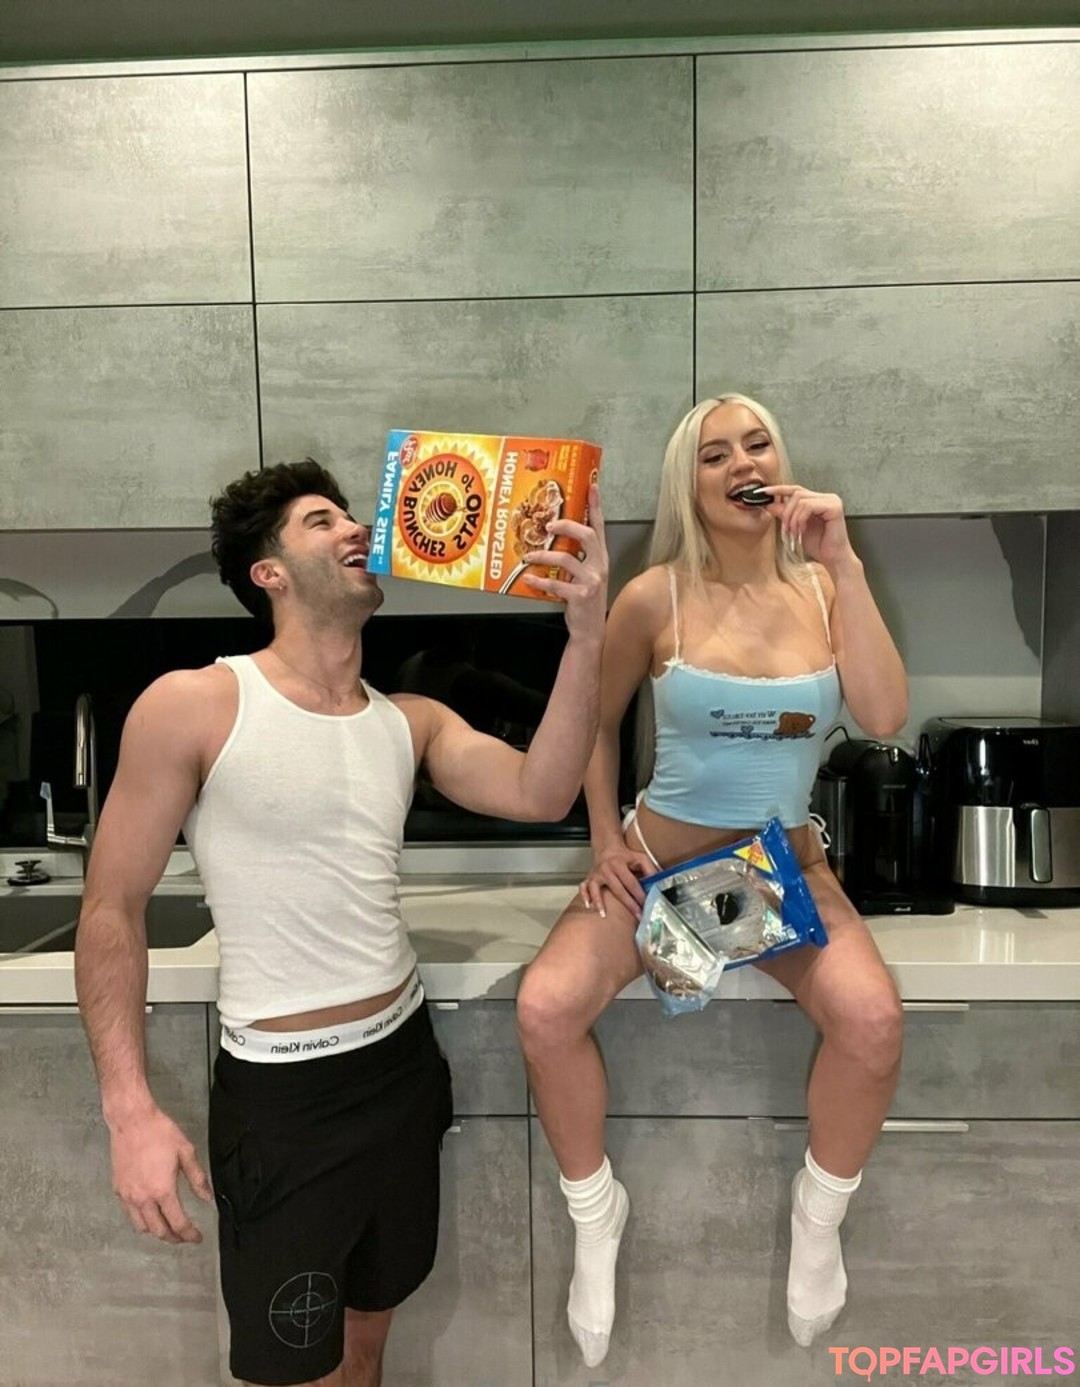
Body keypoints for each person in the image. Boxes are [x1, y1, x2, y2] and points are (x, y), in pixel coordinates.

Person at [74, 458, 608, 1387]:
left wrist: (587, 634)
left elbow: (542, 789)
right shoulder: (196, 705)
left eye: (352, 515)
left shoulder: (410, 721)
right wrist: (129, 1108)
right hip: (284, 1101)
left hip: (401, 1069)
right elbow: (109, 911)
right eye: (321, 520)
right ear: (269, 573)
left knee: (366, 1346)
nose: (356, 527)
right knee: (293, 1371)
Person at [516, 393, 908, 1366]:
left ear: (781, 462)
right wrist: (603, 839)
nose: (742, 463)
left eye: (757, 444)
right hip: (659, 870)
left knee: (873, 1021)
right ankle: (595, 1213)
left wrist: (846, 562)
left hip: (784, 871)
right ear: (687, 485)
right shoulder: (654, 597)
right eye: (714, 453)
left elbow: (885, 715)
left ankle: (819, 1216)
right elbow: (594, 720)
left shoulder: (826, 591)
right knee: (545, 1007)